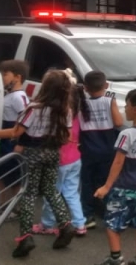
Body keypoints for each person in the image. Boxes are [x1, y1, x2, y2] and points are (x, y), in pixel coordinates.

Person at [0, 69, 77, 258]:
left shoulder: (34, 108)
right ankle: (66, 225)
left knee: (28, 193)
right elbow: (68, 136)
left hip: (32, 154)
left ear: (45, 86)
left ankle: (26, 237)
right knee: (51, 190)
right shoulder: (65, 110)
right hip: (52, 153)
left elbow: (15, 132)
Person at [93, 89, 136, 265]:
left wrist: (106, 186)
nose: (125, 108)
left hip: (124, 187)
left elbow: (118, 163)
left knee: (112, 223)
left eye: (128, 105)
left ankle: (116, 258)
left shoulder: (126, 135)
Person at [34, 79, 88, 236]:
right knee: (72, 193)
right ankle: (80, 224)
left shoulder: (60, 116)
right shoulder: (79, 116)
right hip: (75, 158)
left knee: (52, 193)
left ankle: (47, 224)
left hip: (59, 160)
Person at [80, 71, 125, 229]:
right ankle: (112, 215)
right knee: (106, 182)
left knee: (86, 183)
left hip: (87, 148)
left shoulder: (80, 103)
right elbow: (119, 122)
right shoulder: (109, 100)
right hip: (107, 148)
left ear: (85, 88)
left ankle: (87, 216)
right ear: (106, 85)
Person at [0, 60, 30, 219]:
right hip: (3, 139)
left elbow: (26, 119)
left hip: (11, 141)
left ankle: (14, 207)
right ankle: (2, 204)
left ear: (18, 77)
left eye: (6, 74)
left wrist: (21, 143)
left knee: (13, 175)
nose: (2, 77)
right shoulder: (9, 95)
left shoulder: (18, 97)